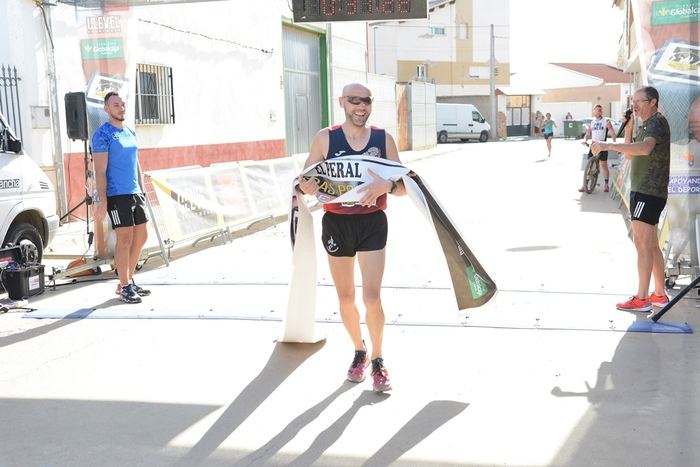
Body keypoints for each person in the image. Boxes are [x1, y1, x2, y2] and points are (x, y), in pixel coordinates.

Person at [297, 83, 404, 392]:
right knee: (345, 297)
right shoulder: (325, 138)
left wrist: (386, 186)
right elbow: (306, 179)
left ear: (371, 104)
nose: (361, 106)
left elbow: (406, 185)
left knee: (371, 297)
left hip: (372, 222)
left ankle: (378, 360)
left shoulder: (384, 139)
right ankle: (359, 350)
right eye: (354, 101)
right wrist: (307, 186)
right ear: (342, 102)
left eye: (366, 101)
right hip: (337, 223)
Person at [592, 86, 670, 312]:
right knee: (651, 245)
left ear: (653, 102)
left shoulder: (656, 123)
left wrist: (607, 144)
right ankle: (659, 295)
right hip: (643, 191)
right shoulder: (645, 124)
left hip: (648, 191)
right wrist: (630, 126)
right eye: (632, 101)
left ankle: (642, 298)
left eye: (639, 101)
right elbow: (629, 153)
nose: (634, 105)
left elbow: (645, 149)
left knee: (643, 245)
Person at [92, 92, 151, 304]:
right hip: (117, 194)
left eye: (122, 104)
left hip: (135, 192)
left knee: (142, 236)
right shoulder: (102, 134)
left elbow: (136, 164)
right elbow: (100, 170)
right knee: (124, 238)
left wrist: (142, 191)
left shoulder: (129, 131)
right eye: (116, 105)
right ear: (107, 109)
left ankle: (128, 279)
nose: (121, 108)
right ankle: (125, 286)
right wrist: (102, 201)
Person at [579, 104, 617, 193]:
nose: (599, 111)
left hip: (603, 145)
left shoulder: (606, 121)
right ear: (594, 111)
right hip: (593, 145)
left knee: (603, 165)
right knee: (590, 165)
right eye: (597, 110)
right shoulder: (592, 123)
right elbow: (588, 134)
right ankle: (585, 184)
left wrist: (614, 140)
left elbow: (611, 131)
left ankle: (606, 184)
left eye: (600, 110)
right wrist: (585, 139)